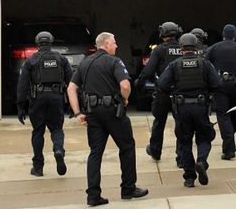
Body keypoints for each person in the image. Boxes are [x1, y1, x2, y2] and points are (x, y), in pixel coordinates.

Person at [67, 32, 148, 207]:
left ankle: (93, 196)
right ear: (105, 43)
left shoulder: (85, 63)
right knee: (126, 147)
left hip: (92, 113)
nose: (116, 46)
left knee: (95, 152)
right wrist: (125, 99)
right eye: (114, 42)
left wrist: (77, 113)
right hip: (113, 112)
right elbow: (125, 85)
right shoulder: (115, 61)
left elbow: (71, 88)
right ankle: (128, 189)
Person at [157, 33, 221, 188]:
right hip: (200, 106)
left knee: (184, 142)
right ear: (196, 47)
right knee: (205, 137)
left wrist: (175, 90)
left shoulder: (174, 65)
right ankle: (201, 161)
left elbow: (162, 84)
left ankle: (189, 177)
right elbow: (217, 83)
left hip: (182, 108)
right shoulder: (204, 64)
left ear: (181, 48)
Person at [16, 31, 72, 177]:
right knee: (57, 129)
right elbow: (71, 83)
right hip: (56, 98)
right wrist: (74, 105)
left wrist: (21, 106)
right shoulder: (61, 59)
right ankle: (58, 150)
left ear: (37, 43)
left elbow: (22, 85)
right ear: (51, 42)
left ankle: (38, 167)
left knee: (38, 132)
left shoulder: (31, 61)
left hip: (38, 99)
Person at [135, 21, 183, 166]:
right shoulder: (183, 48)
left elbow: (148, 71)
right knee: (181, 124)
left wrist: (139, 84)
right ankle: (181, 157)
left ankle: (155, 150)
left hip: (163, 92)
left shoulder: (159, 50)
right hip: (180, 93)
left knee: (159, 122)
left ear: (162, 34)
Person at [205, 24, 236, 160]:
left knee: (223, 116)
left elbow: (206, 66)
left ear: (223, 34)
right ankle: (229, 140)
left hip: (220, 85)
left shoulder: (214, 48)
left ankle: (229, 148)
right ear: (234, 35)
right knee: (234, 114)